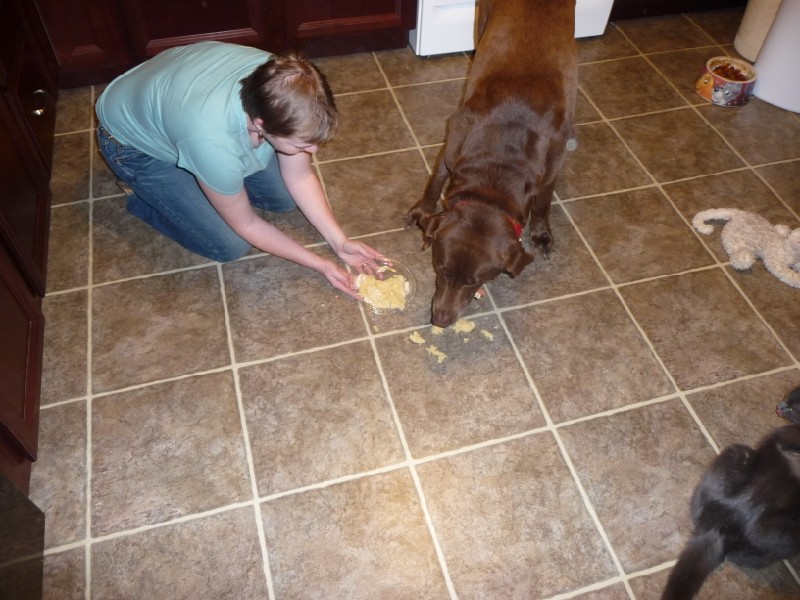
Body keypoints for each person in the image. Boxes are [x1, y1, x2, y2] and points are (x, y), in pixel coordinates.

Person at [95, 41, 384, 299]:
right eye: (302, 145)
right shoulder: (211, 141)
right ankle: (142, 191)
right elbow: (247, 225)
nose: (313, 152)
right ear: (261, 124)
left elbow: (300, 175)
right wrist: (320, 264)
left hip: (173, 89)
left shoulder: (281, 82)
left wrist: (339, 241)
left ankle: (208, 179)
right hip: (130, 144)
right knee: (228, 245)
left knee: (283, 199)